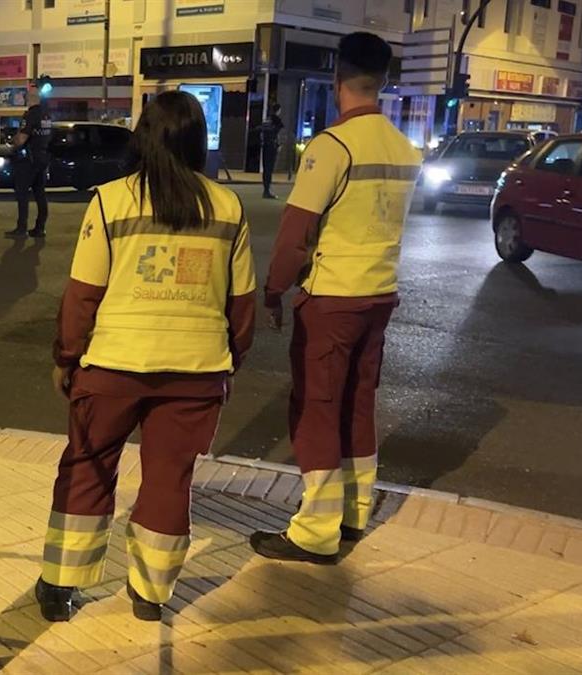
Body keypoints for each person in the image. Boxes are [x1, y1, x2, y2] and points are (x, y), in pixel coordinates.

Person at [35, 90, 256, 623]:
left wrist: (67, 357)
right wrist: (227, 361)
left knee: (87, 467)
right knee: (169, 478)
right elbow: (242, 304)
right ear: (197, 141)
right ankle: (151, 594)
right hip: (196, 371)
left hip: (113, 365)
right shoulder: (227, 206)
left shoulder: (111, 201)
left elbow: (83, 294)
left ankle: (61, 585)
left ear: (142, 139)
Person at [250, 32, 421, 564]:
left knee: (317, 410)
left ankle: (315, 532)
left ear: (337, 77)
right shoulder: (404, 149)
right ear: (384, 80)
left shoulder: (333, 147)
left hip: (332, 299)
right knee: (358, 405)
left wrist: (274, 291)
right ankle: (354, 511)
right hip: (379, 295)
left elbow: (295, 232)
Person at [6, 84, 52, 238]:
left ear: (30, 98)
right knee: (40, 194)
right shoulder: (46, 114)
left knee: (22, 194)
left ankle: (21, 228)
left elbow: (21, 139)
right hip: (43, 158)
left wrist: (12, 141)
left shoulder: (30, 115)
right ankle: (40, 227)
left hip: (29, 160)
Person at [260, 103, 284, 199]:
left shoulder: (267, 119)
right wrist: (278, 145)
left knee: (266, 168)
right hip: (271, 147)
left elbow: (262, 132)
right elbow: (277, 133)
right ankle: (267, 190)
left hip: (265, 146)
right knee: (269, 168)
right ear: (278, 110)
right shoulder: (276, 120)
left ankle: (265, 189)